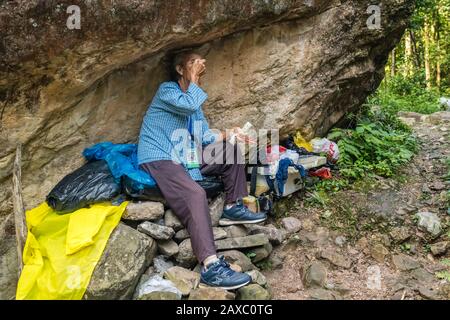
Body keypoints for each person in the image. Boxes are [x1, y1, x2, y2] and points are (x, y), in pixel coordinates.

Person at [137, 50, 267, 290]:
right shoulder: (167, 91)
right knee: (195, 193)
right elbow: (187, 104)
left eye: (200, 63)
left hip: (185, 156)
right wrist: (194, 76)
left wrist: (231, 133)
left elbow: (204, 136)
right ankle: (210, 266)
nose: (199, 66)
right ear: (179, 69)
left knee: (229, 150)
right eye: (192, 63)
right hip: (161, 155)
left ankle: (232, 207)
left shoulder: (194, 106)